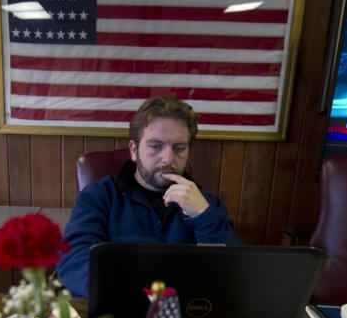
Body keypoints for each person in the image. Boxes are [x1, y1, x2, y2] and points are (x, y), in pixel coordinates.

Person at [55, 96, 241, 298]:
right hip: (118, 312)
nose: (168, 158)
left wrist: (203, 216)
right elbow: (74, 263)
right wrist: (140, 295)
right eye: (155, 146)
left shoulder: (208, 205)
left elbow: (233, 273)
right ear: (134, 150)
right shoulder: (98, 197)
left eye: (179, 148)